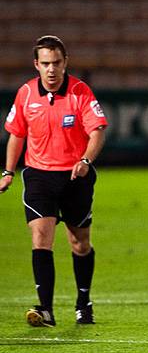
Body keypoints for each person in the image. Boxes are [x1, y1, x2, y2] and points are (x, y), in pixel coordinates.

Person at [0, 35, 108, 327]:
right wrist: (8, 171)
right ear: (36, 64)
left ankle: (83, 301)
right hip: (38, 176)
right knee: (41, 237)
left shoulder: (80, 92)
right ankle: (45, 309)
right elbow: (17, 134)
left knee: (79, 243)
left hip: (75, 177)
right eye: (45, 63)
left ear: (65, 63)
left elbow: (97, 131)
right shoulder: (25, 94)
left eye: (56, 63)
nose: (51, 69)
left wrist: (85, 160)